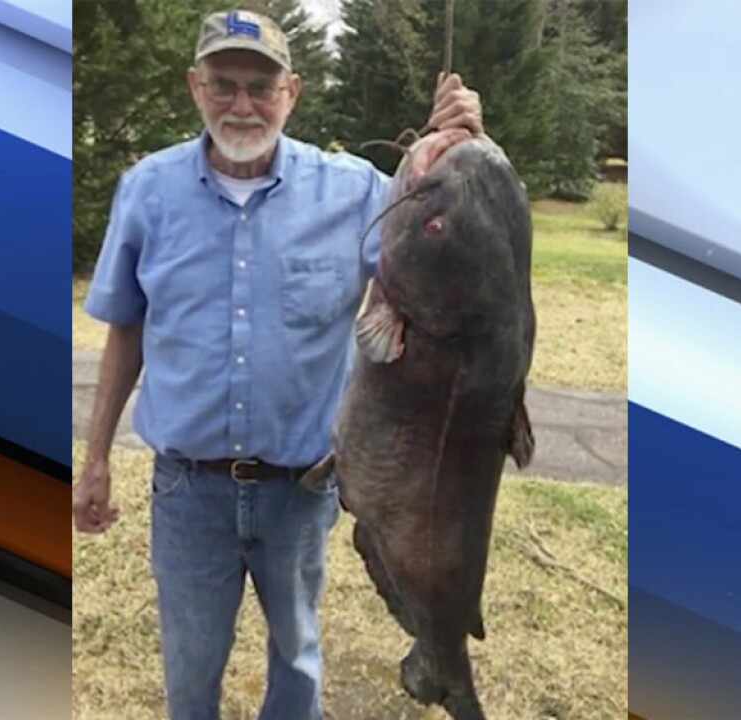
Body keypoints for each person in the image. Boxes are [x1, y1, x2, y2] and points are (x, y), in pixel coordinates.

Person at [73, 8, 486, 720]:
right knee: (190, 662)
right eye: (224, 84)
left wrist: (463, 141)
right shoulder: (148, 191)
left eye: (260, 88)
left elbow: (446, 235)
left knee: (297, 656)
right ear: (194, 86)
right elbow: (126, 332)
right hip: (188, 492)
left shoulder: (356, 192)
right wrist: (97, 458)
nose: (242, 104)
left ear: (292, 91)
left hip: (301, 489)